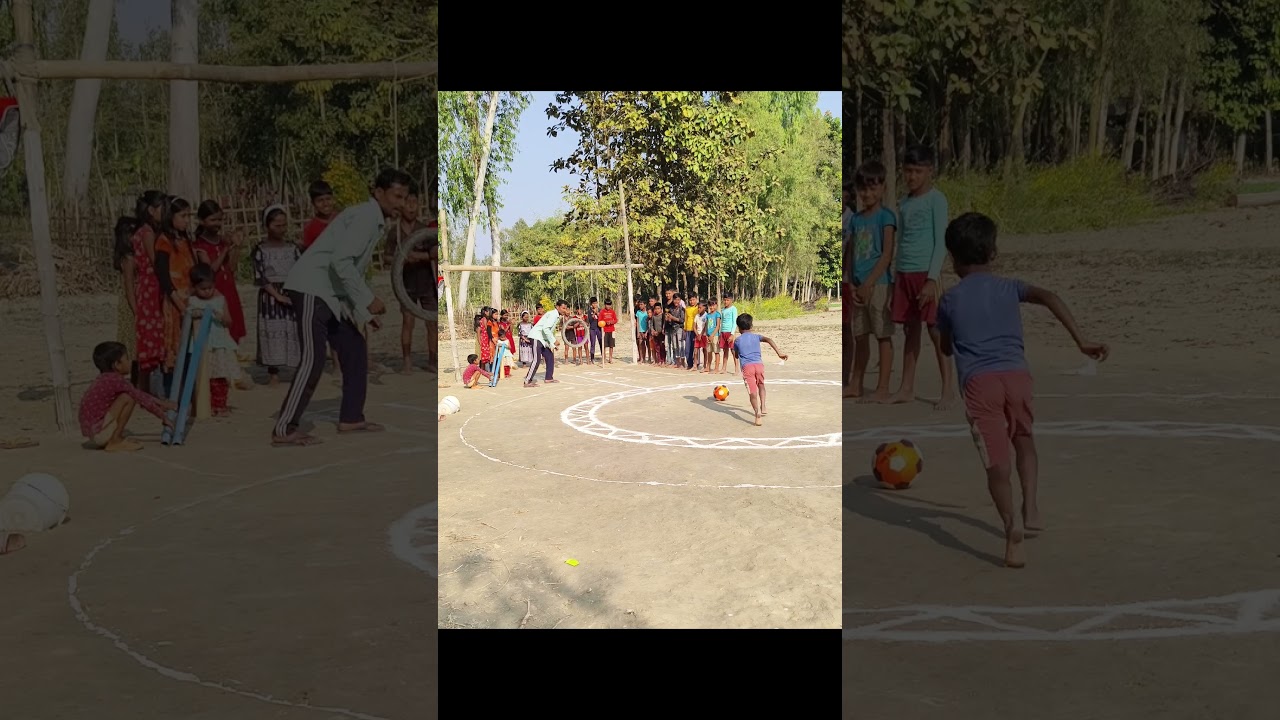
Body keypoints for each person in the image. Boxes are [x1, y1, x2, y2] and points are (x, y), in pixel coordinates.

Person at [937, 212, 1108, 568]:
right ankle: (1031, 505)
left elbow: (946, 347)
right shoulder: (1010, 287)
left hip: (980, 385)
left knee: (996, 466)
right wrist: (1081, 340)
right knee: (1025, 441)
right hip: (1017, 376)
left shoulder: (950, 300)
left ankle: (1012, 527)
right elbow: (1050, 296)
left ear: (953, 259)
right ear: (993, 253)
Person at [270, 167, 409, 446]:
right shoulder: (366, 217)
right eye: (397, 196)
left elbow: (346, 270)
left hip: (329, 294)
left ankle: (351, 417)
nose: (401, 204)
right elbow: (341, 264)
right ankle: (284, 428)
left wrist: (363, 310)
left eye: (405, 198)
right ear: (379, 193)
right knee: (313, 358)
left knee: (355, 347)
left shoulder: (374, 220)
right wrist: (368, 299)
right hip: (311, 288)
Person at [888, 145, 957, 409]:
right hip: (904, 272)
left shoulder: (936, 200)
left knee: (935, 330)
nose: (912, 176)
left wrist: (932, 278)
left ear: (929, 171)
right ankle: (906, 388)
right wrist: (896, 276)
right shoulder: (903, 203)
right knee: (909, 330)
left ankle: (948, 390)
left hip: (927, 273)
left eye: (917, 171)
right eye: (908, 171)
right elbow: (901, 241)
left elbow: (941, 241)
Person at [846, 161, 898, 402]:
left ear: (882, 188)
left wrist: (869, 283)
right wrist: (853, 282)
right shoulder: (856, 220)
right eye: (863, 189)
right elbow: (852, 252)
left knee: (882, 335)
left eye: (873, 189)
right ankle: (856, 384)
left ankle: (883, 387)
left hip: (879, 285)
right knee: (860, 336)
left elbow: (886, 254)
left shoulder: (886, 217)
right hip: (858, 287)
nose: (868, 194)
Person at [193, 200, 251, 391]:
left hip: (229, 287)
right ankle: (220, 375)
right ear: (202, 221)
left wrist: (236, 247)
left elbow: (231, 267)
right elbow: (210, 270)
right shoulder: (200, 244)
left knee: (233, 328)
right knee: (218, 333)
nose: (217, 224)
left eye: (220, 219)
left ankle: (234, 373)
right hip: (214, 290)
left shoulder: (223, 240)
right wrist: (226, 249)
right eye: (213, 220)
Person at [79, 341, 176, 452]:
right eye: (127, 359)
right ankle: (114, 441)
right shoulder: (117, 381)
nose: (130, 362)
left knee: (127, 395)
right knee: (128, 398)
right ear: (117, 365)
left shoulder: (104, 379)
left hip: (92, 433)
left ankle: (112, 438)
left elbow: (142, 395)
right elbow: (142, 399)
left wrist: (162, 404)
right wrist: (163, 417)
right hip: (99, 434)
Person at [382, 181, 433, 374]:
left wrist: (418, 256)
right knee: (408, 322)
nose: (411, 206)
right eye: (408, 202)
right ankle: (407, 362)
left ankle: (432, 360)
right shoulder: (394, 232)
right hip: (405, 283)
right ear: (402, 205)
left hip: (426, 282)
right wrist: (401, 258)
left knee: (432, 322)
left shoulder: (425, 229)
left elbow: (434, 253)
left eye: (415, 202)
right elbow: (386, 257)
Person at [251, 204, 303, 385]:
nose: (281, 229)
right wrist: (277, 295)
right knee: (272, 331)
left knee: (293, 330)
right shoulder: (260, 249)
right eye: (277, 225)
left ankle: (297, 368)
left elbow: (299, 270)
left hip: (291, 291)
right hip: (270, 296)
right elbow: (260, 276)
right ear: (267, 226)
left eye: (283, 225)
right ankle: (273, 372)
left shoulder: (293, 248)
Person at [154, 196, 200, 397]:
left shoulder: (186, 241)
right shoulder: (164, 241)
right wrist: (178, 303)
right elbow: (163, 277)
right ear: (170, 216)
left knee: (189, 347)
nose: (186, 220)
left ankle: (187, 394)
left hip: (190, 299)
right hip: (175, 303)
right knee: (174, 347)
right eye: (183, 216)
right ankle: (171, 393)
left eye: (188, 216)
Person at [186, 263, 241, 416]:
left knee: (220, 374)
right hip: (201, 344)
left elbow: (229, 321)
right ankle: (204, 404)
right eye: (202, 289)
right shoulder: (192, 301)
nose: (207, 292)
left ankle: (220, 404)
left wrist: (220, 317)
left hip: (219, 343)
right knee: (203, 374)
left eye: (210, 288)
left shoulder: (220, 299)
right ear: (194, 287)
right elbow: (186, 319)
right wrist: (194, 313)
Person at [130, 191, 167, 393]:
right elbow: (155, 262)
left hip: (146, 286)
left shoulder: (141, 231)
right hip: (152, 287)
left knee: (148, 336)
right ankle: (145, 389)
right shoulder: (148, 234)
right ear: (152, 210)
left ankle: (144, 388)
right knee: (153, 335)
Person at [731, 313, 788, 426]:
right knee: (761, 385)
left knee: (752, 393)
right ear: (751, 326)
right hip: (759, 365)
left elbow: (736, 355)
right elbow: (769, 339)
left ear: (738, 327)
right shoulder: (757, 336)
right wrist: (779, 353)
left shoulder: (737, 341)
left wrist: (735, 352)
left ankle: (757, 413)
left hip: (748, 368)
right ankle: (763, 406)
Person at [112, 216, 140, 387]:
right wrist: (136, 310)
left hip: (133, 302)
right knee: (131, 344)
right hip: (131, 303)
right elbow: (129, 287)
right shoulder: (129, 259)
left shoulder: (132, 256)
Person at [524, 300, 566, 387]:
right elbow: (545, 329)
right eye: (563, 308)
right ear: (557, 307)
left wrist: (552, 345)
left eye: (565, 308)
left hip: (542, 339)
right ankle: (527, 381)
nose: (564, 310)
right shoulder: (553, 315)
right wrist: (554, 340)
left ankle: (549, 378)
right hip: (536, 337)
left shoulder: (556, 316)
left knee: (549, 356)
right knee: (537, 359)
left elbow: (547, 332)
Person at [301, 180, 338, 251]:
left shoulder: (342, 219)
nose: (325, 204)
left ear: (333, 198)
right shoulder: (310, 228)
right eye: (320, 201)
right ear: (313, 203)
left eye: (328, 199)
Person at [718, 293, 739, 375]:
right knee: (725, 350)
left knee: (733, 350)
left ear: (731, 300)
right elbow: (722, 322)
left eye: (728, 300)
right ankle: (724, 368)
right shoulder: (723, 310)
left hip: (730, 332)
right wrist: (720, 333)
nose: (726, 301)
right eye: (725, 300)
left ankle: (737, 369)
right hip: (723, 332)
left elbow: (734, 322)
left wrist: (732, 334)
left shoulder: (733, 309)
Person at [704, 297, 721, 373]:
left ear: (716, 305)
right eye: (710, 305)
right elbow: (706, 326)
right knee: (709, 352)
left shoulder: (717, 314)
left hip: (715, 336)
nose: (712, 307)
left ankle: (716, 368)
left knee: (716, 351)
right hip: (708, 336)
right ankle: (708, 367)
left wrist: (712, 335)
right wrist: (707, 335)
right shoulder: (708, 315)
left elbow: (717, 326)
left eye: (713, 305)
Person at [598, 299, 618, 364]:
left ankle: (610, 358)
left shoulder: (612, 312)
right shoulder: (602, 312)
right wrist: (605, 323)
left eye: (609, 305)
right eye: (607, 305)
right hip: (604, 330)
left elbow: (616, 320)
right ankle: (604, 358)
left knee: (611, 345)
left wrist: (611, 322)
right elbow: (599, 321)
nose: (608, 306)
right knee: (604, 345)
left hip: (612, 330)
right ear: (605, 305)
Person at [683, 292, 699, 372]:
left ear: (696, 299)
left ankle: (696, 363)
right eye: (690, 300)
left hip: (695, 330)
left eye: (693, 300)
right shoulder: (687, 309)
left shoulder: (698, 308)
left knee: (695, 348)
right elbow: (686, 319)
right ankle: (689, 364)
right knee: (688, 348)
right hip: (688, 330)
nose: (692, 302)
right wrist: (685, 328)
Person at [586, 297, 603, 365]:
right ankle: (592, 358)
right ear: (591, 304)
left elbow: (602, 318)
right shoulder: (589, 311)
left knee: (601, 342)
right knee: (592, 343)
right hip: (592, 329)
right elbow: (590, 320)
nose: (595, 304)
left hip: (599, 328)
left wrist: (597, 313)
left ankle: (603, 356)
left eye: (596, 303)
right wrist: (593, 314)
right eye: (593, 303)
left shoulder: (600, 310)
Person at [634, 299, 649, 364]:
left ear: (645, 305)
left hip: (646, 331)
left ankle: (648, 357)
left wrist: (647, 331)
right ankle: (641, 358)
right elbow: (637, 322)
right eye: (639, 304)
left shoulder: (647, 313)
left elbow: (649, 322)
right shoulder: (638, 312)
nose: (640, 306)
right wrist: (638, 331)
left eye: (641, 304)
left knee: (647, 345)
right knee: (640, 345)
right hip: (640, 331)